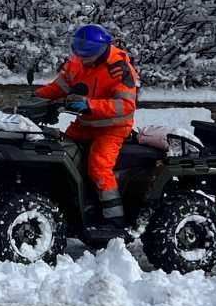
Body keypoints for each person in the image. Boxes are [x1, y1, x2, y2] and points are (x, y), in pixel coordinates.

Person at [34, 24, 139, 227]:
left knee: (99, 166)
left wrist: (89, 105)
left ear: (102, 50)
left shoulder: (119, 69)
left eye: (88, 55)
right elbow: (60, 86)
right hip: (85, 123)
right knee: (60, 152)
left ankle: (113, 219)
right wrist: (37, 97)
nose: (83, 60)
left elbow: (125, 106)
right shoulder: (78, 63)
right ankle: (73, 203)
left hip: (112, 128)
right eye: (80, 54)